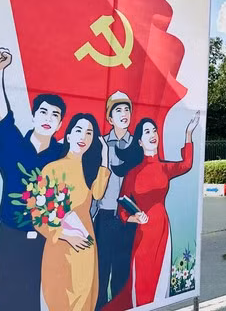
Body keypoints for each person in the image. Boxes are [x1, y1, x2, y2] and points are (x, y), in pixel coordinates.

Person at [0, 48, 67, 311]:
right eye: (44, 112)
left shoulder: (61, 156)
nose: (48, 119)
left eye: (55, 116)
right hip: (9, 239)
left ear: (60, 124)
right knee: (9, 304)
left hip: (46, 245)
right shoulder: (15, 146)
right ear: (34, 115)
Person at [104, 113, 199, 310]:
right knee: (141, 280)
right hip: (143, 234)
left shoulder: (164, 168)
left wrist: (188, 133)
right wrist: (133, 217)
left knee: (162, 278)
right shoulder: (133, 173)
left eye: (154, 130)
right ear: (139, 141)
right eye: (147, 131)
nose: (152, 134)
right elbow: (121, 208)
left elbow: (186, 164)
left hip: (163, 230)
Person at [37, 113, 110, 311]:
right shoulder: (52, 169)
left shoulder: (90, 170)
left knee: (85, 300)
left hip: (85, 248)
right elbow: (38, 216)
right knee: (58, 301)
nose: (83, 137)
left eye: (89, 133)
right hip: (59, 248)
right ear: (68, 135)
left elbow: (98, 193)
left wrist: (104, 157)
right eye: (78, 130)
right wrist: (66, 235)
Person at [93, 91, 135, 310]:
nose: (124, 113)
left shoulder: (136, 145)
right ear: (109, 118)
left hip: (128, 217)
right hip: (106, 214)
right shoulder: (100, 144)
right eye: (118, 110)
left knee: (122, 268)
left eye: (127, 109)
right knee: (102, 268)